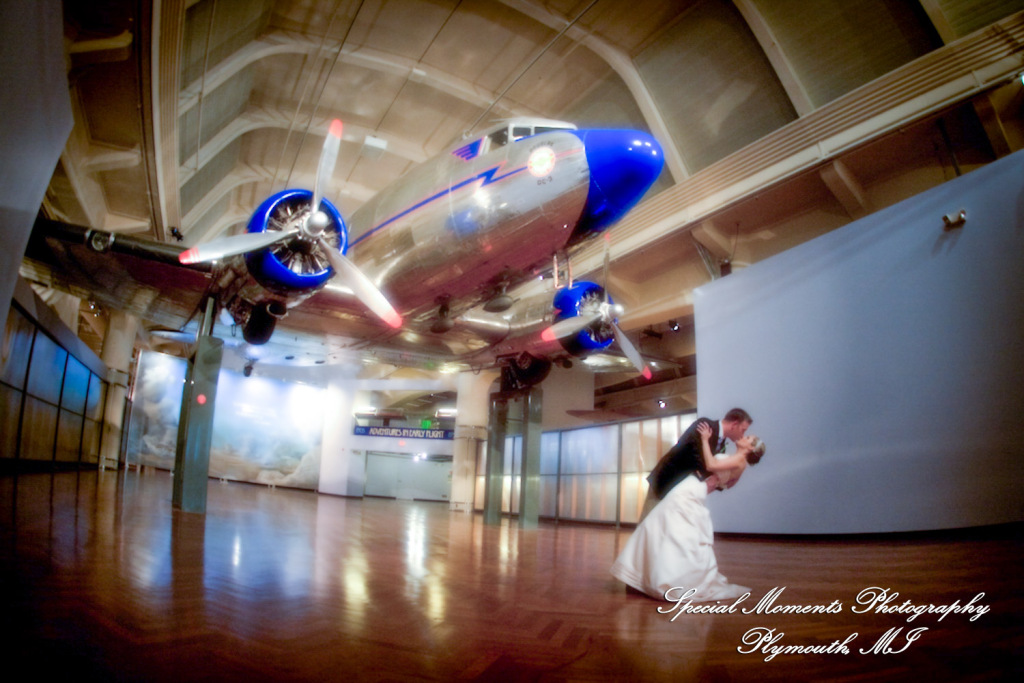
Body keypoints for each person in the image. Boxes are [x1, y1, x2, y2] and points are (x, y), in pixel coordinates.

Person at [611, 422, 766, 601]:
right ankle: (647, 576)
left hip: (691, 490)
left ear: (750, 448)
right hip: (693, 488)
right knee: (664, 527)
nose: (744, 437)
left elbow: (711, 463)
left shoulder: (739, 460)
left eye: (749, 438)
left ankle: (649, 577)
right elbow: (728, 484)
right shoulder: (738, 461)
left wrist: (705, 440)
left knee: (658, 526)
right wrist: (714, 483)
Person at [639, 408, 752, 519]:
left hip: (683, 490)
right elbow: (695, 454)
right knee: (649, 522)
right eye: (743, 430)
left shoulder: (722, 445)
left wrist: (716, 481)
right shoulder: (705, 425)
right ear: (734, 425)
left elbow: (714, 468)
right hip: (667, 479)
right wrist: (709, 478)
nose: (742, 435)